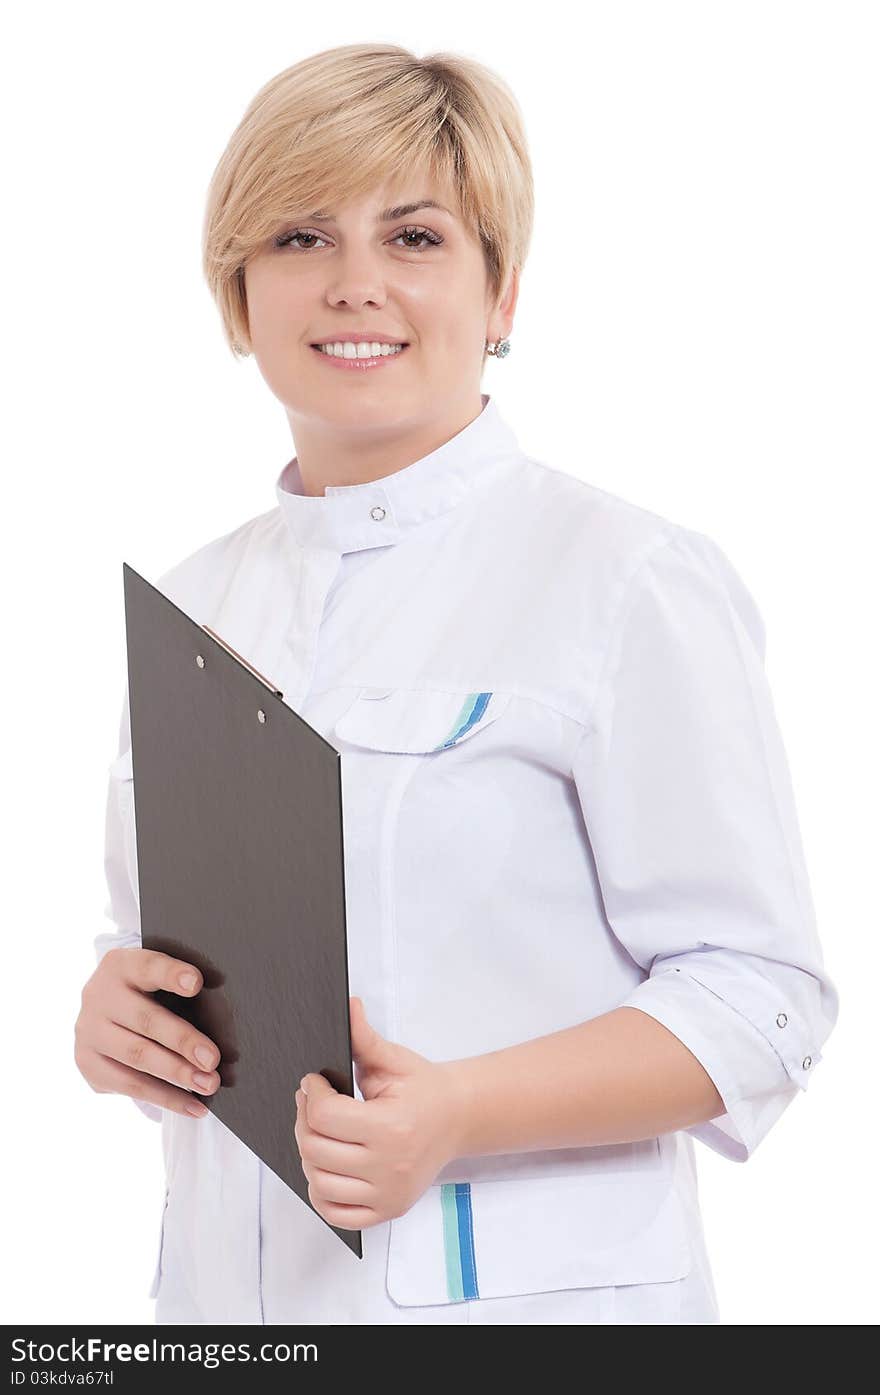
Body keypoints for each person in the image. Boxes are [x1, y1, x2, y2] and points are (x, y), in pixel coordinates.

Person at [74, 42, 839, 1325]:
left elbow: (764, 999)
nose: (355, 285)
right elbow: (190, 961)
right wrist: (123, 1025)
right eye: (303, 236)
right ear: (239, 292)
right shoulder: (198, 603)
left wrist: (462, 1113)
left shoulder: (624, 577)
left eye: (416, 237)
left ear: (502, 294)